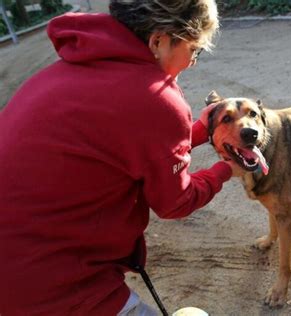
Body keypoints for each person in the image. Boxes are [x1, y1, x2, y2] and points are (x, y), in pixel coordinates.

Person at [0, 0, 243, 315]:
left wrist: (200, 130)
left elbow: (129, 149)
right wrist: (224, 171)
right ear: (158, 41)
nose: (193, 62)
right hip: (51, 282)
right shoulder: (154, 95)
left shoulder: (66, 70)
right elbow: (175, 203)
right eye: (194, 51)